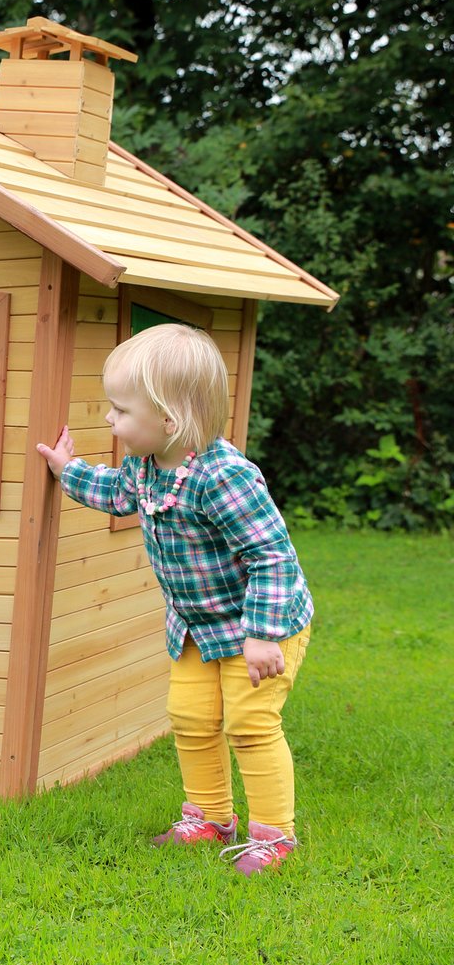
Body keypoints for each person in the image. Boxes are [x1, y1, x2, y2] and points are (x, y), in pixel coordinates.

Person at [37, 323, 312, 875]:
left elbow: (272, 557)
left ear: (169, 418)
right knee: (189, 716)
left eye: (121, 410)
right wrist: (67, 471)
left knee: (250, 725)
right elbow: (117, 494)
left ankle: (275, 836)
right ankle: (210, 817)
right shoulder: (145, 465)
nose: (110, 420)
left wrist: (260, 634)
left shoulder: (224, 477)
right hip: (195, 626)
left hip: (261, 627)